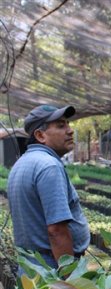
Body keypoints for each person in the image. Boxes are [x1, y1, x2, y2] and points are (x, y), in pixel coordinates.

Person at [7, 105, 90, 273]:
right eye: (61, 126)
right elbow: (56, 231)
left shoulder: (22, 163)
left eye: (67, 124)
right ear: (40, 135)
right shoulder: (49, 166)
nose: (70, 130)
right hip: (51, 269)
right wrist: (70, 279)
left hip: (31, 267)